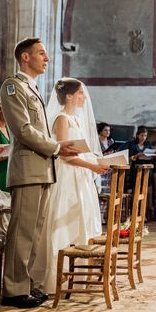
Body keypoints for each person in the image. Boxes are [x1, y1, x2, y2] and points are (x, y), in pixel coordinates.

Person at [0, 37, 79, 308]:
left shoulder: (32, 88)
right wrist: (56, 147)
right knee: (22, 231)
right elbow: (23, 130)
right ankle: (13, 290)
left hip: (42, 169)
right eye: (41, 53)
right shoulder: (13, 86)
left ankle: (29, 284)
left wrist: (55, 150)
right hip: (27, 170)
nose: (46, 58)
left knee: (35, 233)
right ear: (25, 57)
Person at [30, 78, 109, 294]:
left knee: (80, 221)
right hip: (67, 177)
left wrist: (98, 162)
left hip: (80, 176)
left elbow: (81, 151)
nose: (84, 97)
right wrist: (92, 167)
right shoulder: (61, 119)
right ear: (70, 96)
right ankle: (55, 277)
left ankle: (79, 273)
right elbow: (64, 156)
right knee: (62, 224)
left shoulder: (77, 119)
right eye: (81, 93)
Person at [121, 125, 154, 196]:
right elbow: (128, 158)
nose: (143, 138)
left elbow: (152, 155)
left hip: (145, 169)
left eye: (145, 136)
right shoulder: (132, 144)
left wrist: (151, 156)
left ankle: (144, 206)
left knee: (144, 189)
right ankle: (133, 205)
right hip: (135, 168)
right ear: (137, 135)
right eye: (142, 135)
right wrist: (136, 156)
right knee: (135, 189)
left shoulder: (148, 144)